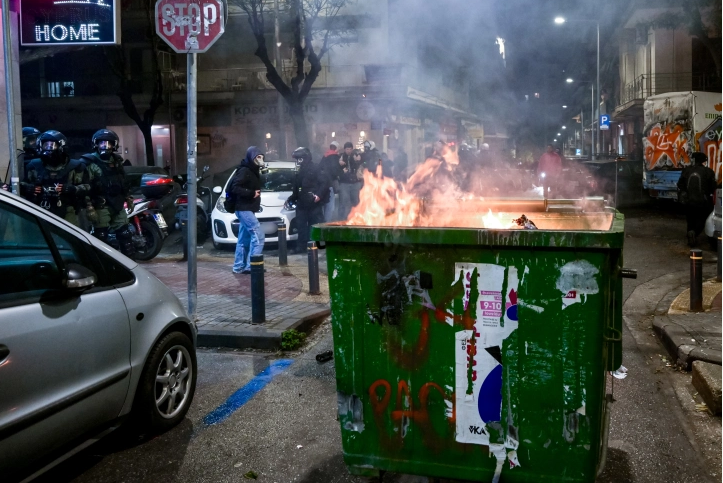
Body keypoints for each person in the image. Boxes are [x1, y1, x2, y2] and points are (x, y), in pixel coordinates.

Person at [81, 129, 135, 257]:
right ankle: (102, 264)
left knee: (125, 234)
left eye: (109, 144)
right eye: (102, 143)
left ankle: (130, 263)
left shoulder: (117, 161)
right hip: (100, 204)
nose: (105, 146)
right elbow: (85, 186)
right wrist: (89, 207)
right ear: (96, 144)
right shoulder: (90, 162)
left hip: (117, 203)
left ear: (114, 145)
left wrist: (128, 198)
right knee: (100, 237)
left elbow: (123, 181)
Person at [20, 130, 89, 226]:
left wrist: (73, 189)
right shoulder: (33, 165)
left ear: (61, 146)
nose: (48, 149)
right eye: (45, 145)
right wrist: (28, 188)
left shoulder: (75, 166)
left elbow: (88, 187)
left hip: (68, 209)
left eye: (52, 145)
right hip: (40, 209)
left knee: (68, 236)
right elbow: (21, 185)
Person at [230, 147, 266, 274]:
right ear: (251, 157)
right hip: (244, 208)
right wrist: (251, 193)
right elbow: (235, 187)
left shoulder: (253, 170)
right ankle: (253, 266)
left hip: (247, 208)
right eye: (257, 157)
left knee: (243, 239)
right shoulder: (245, 170)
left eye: (261, 156)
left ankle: (239, 266)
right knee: (258, 236)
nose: (260, 159)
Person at [288, 147, 329, 252]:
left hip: (313, 202)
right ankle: (301, 246)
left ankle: (318, 246)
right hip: (302, 202)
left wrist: (318, 196)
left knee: (316, 224)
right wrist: (293, 197)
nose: (297, 161)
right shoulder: (299, 169)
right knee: (301, 225)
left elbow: (324, 183)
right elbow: (297, 186)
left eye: (299, 158)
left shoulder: (315, 168)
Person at [677, 151, 716, 246]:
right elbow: (712, 187)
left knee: (690, 219)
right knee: (703, 219)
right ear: (704, 161)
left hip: (688, 201)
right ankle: (694, 232)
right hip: (703, 201)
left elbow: (680, 184)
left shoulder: (687, 170)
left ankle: (691, 238)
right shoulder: (708, 171)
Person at [338, 143, 362, 219]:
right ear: (344, 149)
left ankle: (355, 218)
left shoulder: (355, 156)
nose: (349, 151)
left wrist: (357, 161)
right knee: (344, 202)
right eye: (347, 149)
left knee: (356, 202)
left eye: (350, 149)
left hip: (355, 183)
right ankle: (342, 219)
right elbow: (335, 169)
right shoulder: (340, 157)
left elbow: (359, 167)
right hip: (344, 183)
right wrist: (340, 165)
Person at [320, 141, 342, 222]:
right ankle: (326, 224)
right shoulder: (335, 157)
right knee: (330, 206)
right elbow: (335, 172)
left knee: (323, 205)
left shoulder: (325, 156)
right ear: (336, 148)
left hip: (322, 185)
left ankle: (321, 222)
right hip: (330, 184)